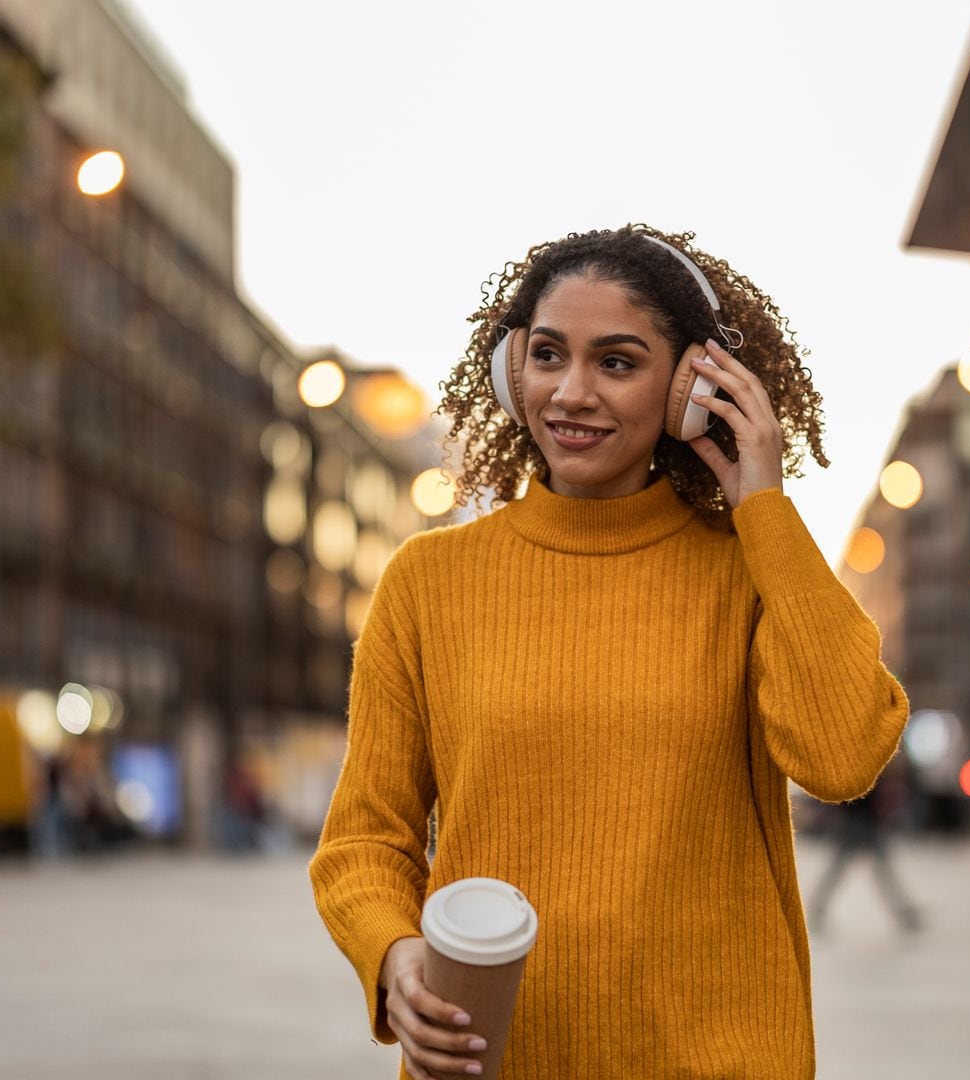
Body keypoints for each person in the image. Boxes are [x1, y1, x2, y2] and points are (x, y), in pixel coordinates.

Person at [308, 225, 909, 1079]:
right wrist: (395, 956)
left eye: (617, 363)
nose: (572, 392)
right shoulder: (427, 583)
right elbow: (365, 839)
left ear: (693, 388)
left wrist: (764, 509)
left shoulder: (750, 571)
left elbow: (843, 755)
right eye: (548, 355)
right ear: (511, 373)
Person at [806, 753, 923, 936]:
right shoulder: (857, 760)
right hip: (858, 821)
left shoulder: (857, 758)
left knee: (849, 868)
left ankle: (817, 907)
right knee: (870, 869)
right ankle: (903, 911)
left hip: (862, 820)